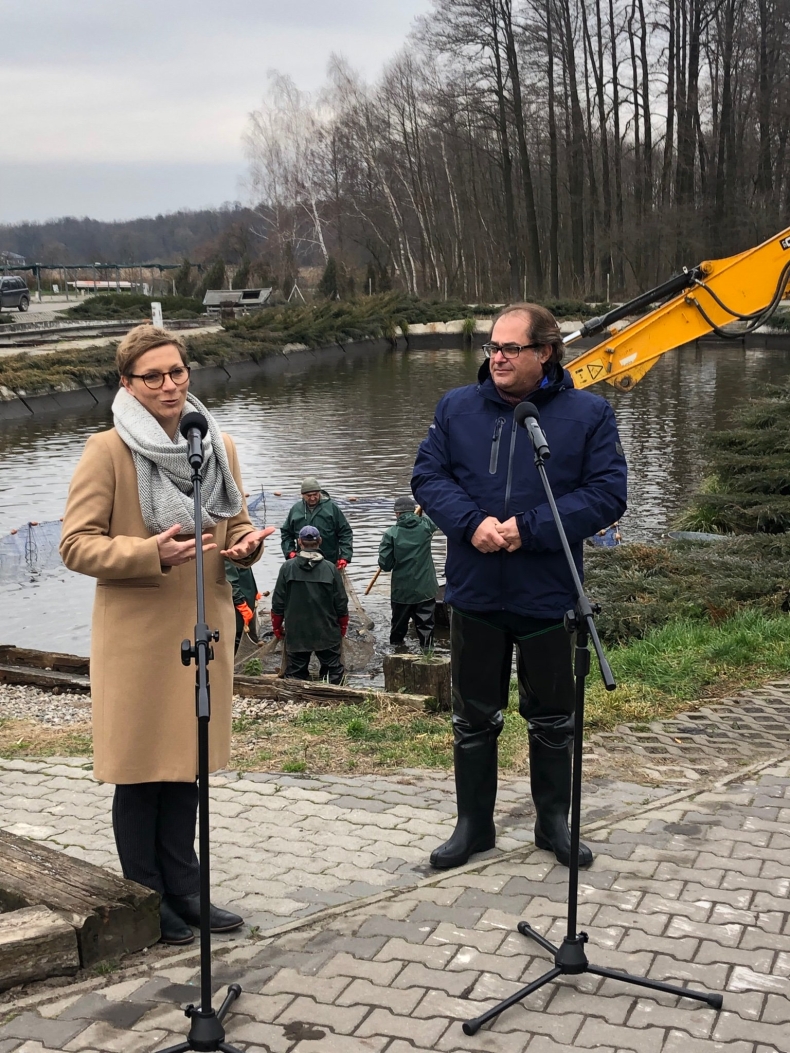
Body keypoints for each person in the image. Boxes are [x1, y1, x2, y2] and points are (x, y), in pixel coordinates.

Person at [59, 324, 275, 945]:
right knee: (142, 772)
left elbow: (234, 529)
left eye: (176, 372)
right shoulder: (107, 450)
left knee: (189, 767)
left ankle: (188, 891)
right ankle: (149, 900)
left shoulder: (217, 446)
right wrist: (148, 552)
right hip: (138, 636)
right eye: (152, 376)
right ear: (128, 384)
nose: (169, 385)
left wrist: (244, 548)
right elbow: (76, 545)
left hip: (203, 632)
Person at [412, 303, 627, 871]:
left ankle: (552, 822)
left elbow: (608, 493)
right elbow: (428, 477)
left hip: (549, 593)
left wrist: (526, 530)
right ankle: (473, 826)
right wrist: (471, 522)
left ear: (545, 353)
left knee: (554, 717)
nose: (498, 357)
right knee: (472, 717)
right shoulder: (456, 408)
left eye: (511, 348)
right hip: (475, 592)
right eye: (492, 347)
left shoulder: (589, 414)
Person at [271, 525, 349, 684]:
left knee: (295, 673)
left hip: (297, 632)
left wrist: (277, 627)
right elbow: (341, 602)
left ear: (299, 542)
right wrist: (342, 626)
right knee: (333, 670)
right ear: (320, 541)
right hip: (327, 631)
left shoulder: (287, 567)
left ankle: (296, 700)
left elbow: (278, 602)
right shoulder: (330, 568)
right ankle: (334, 698)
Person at [378, 497, 439, 649]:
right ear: (413, 511)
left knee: (398, 630)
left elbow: (385, 565)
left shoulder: (391, 534)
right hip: (425, 588)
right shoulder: (426, 527)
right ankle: (428, 657)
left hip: (402, 591)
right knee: (426, 628)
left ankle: (397, 656)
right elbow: (435, 519)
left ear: (396, 514)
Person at [280, 477, 353, 569]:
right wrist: (290, 552)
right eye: (309, 495)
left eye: (315, 494)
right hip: (302, 562)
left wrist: (345, 556)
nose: (313, 498)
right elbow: (286, 533)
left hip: (329, 561)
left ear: (319, 492)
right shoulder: (295, 510)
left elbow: (345, 532)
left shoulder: (332, 508)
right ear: (302, 495)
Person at [225, 560, 260, 652]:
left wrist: (255, 592)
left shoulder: (240, 554)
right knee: (237, 638)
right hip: (237, 608)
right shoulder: (228, 556)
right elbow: (231, 584)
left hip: (247, 600)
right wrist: (241, 605)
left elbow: (245, 572)